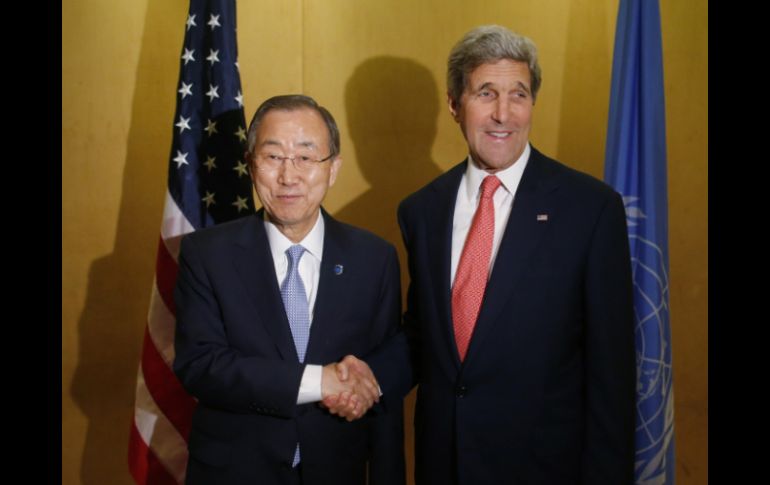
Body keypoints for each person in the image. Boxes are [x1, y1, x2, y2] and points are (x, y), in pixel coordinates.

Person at [329, 25, 636, 484]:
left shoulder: (589, 209)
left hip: (546, 470)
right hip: (444, 464)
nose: (503, 114)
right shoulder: (422, 210)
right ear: (454, 105)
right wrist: (370, 376)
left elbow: (612, 373)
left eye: (519, 94)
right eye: (486, 93)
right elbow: (425, 336)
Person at [173, 94, 405, 485]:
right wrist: (320, 380)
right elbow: (201, 366)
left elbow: (378, 388)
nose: (288, 176)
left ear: (332, 169)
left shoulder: (374, 258)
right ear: (251, 165)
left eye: (306, 156)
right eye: (273, 156)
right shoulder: (206, 253)